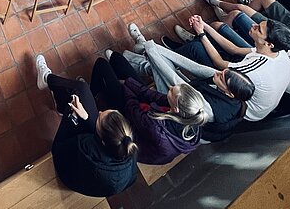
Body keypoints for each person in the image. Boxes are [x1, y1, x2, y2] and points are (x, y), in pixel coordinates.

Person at [65, 53, 208, 165]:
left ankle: (92, 92)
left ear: (176, 109)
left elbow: (130, 106)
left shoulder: (155, 126)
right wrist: (128, 82)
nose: (169, 88)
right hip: (144, 114)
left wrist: (124, 85)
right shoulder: (190, 114)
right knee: (117, 59)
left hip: (131, 125)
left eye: (171, 92)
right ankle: (111, 76)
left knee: (101, 65)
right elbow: (153, 96)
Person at [119, 28, 255, 142]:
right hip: (192, 95)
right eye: (223, 72)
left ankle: (138, 55)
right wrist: (153, 47)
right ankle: (139, 54)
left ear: (229, 93)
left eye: (222, 77)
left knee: (163, 75)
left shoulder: (212, 110)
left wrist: (151, 49)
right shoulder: (225, 81)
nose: (219, 73)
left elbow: (176, 83)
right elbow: (194, 67)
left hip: (186, 119)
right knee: (159, 64)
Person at [161, 10, 290, 122]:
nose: (253, 25)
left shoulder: (254, 70)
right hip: (246, 86)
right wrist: (205, 27)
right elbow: (234, 49)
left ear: (269, 44)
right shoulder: (279, 53)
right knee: (210, 43)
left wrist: (201, 34)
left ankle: (165, 57)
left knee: (196, 48)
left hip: (240, 107)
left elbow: (220, 64)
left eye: (258, 29)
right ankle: (184, 49)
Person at [35, 55, 138, 197]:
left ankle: (47, 79)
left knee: (77, 97)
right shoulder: (128, 148)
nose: (99, 111)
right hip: (94, 173)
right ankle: (51, 87)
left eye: (99, 116)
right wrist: (87, 117)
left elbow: (59, 147)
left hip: (67, 167)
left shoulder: (85, 146)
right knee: (79, 99)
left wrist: (76, 118)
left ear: (101, 139)